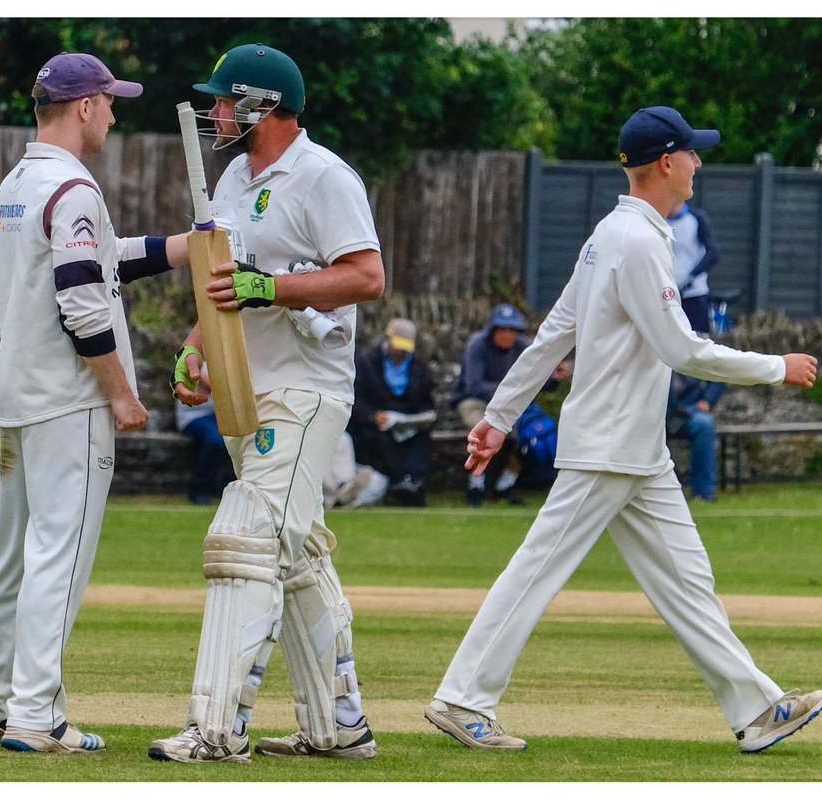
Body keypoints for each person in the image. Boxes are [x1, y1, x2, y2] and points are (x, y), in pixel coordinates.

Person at [424, 105, 822, 755]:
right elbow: (681, 348)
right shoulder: (632, 242)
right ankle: (463, 697)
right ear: (666, 162)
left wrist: (498, 419)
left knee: (688, 580)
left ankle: (757, 709)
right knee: (537, 569)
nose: (700, 163)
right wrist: (777, 366)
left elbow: (554, 334)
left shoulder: (614, 236)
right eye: (693, 153)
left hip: (637, 451)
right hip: (609, 445)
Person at [0, 52, 195, 755]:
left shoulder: (20, 183)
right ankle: (35, 714)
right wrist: (120, 393)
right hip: (71, 400)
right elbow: (84, 304)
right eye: (111, 103)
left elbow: (95, 260)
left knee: (9, 555)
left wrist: (182, 248)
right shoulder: (75, 188)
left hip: (22, 397)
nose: (115, 115)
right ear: (84, 106)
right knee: (59, 555)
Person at [152, 43, 385, 764]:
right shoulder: (233, 178)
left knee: (247, 536)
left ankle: (216, 729)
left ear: (265, 105)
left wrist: (271, 290)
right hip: (248, 387)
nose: (216, 112)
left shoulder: (322, 177)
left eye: (225, 100)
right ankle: (337, 725)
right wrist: (197, 346)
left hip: (308, 391)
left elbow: (367, 276)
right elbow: (222, 272)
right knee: (296, 553)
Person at [453, 304, 568, 506]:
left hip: (514, 405)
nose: (508, 335)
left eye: (512, 330)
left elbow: (538, 383)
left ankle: (506, 485)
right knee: (482, 432)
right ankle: (476, 486)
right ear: (492, 330)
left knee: (532, 435)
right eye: (502, 329)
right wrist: (512, 389)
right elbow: (474, 386)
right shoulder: (478, 344)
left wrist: (555, 378)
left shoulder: (524, 347)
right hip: (476, 402)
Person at [349, 318, 437, 506]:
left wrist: (423, 419)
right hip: (374, 423)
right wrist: (374, 417)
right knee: (381, 440)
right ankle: (399, 483)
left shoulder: (419, 367)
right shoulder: (366, 362)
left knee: (421, 441)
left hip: (407, 423)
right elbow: (355, 401)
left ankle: (413, 483)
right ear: (388, 339)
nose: (401, 351)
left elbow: (426, 402)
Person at [667, 372, 726, 503]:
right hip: (654, 411)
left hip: (687, 411)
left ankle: (704, 493)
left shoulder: (692, 351)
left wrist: (707, 400)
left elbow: (718, 374)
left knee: (704, 425)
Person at [174, 383, 235, 506]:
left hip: (217, 415)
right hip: (194, 415)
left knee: (240, 440)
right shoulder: (195, 363)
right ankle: (200, 489)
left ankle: (229, 486)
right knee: (216, 441)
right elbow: (216, 383)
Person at [667, 200, 721, 335]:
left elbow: (713, 253)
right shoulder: (658, 220)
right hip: (668, 294)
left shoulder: (697, 219)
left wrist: (692, 276)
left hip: (694, 294)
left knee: (699, 337)